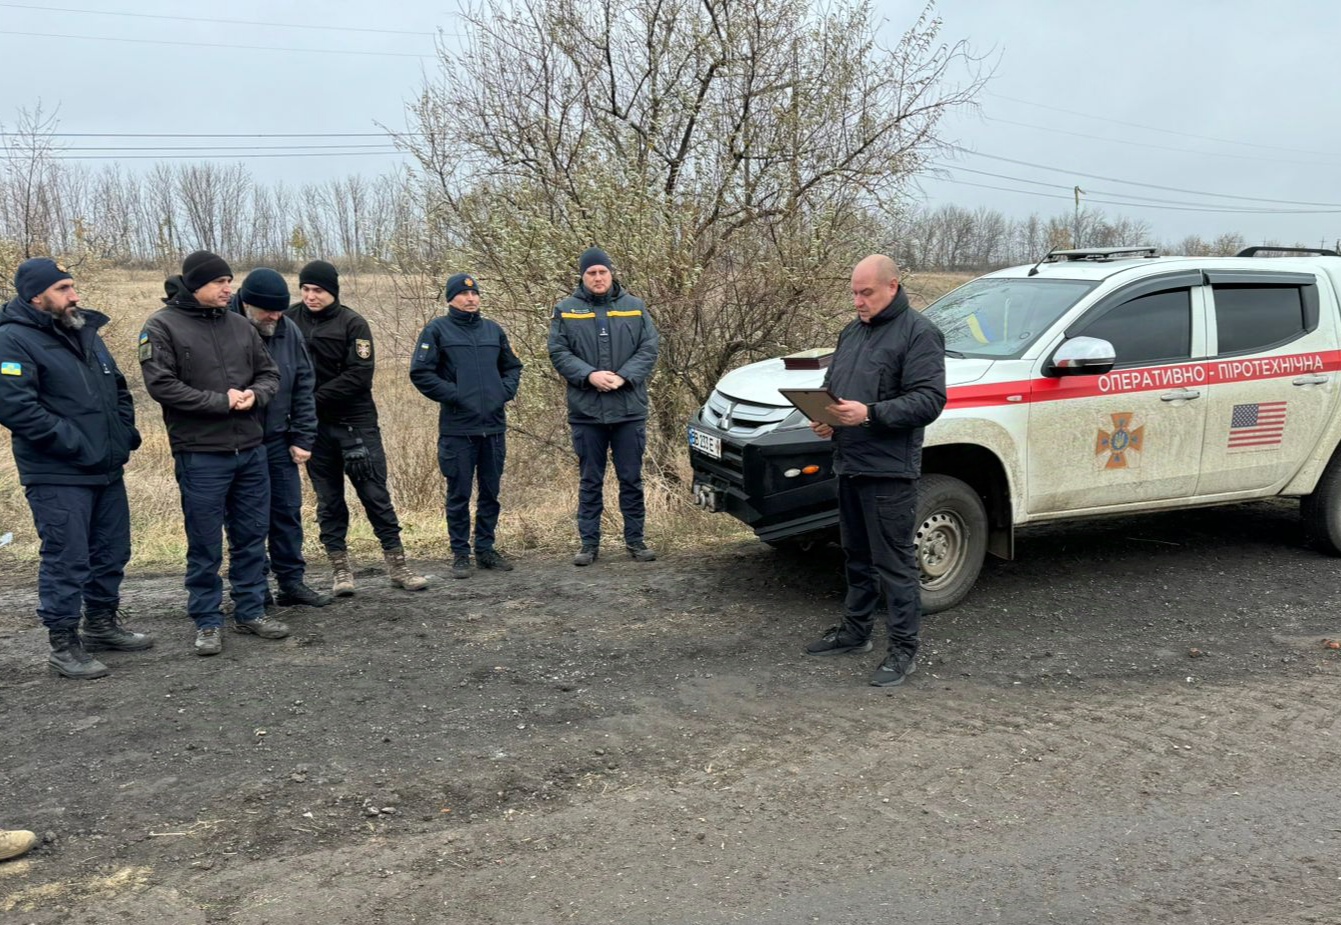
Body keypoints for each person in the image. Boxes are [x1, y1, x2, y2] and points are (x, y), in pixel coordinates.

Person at [0, 258, 152, 679]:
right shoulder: (13, 340)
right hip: (57, 473)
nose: (75, 295)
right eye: (64, 288)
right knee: (67, 559)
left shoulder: (84, 332)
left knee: (112, 550)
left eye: (72, 286)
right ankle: (63, 646)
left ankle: (101, 625)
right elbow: (16, 407)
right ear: (36, 295)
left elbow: (118, 389)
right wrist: (76, 444)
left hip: (105, 468)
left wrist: (123, 435)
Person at [804, 254, 947, 687]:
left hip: (889, 469)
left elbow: (929, 400)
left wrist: (869, 414)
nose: (858, 301)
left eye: (866, 293)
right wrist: (827, 415)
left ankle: (904, 650)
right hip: (849, 461)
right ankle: (855, 631)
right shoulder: (852, 332)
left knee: (895, 564)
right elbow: (841, 389)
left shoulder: (920, 334)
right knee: (856, 555)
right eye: (854, 292)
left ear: (893, 287)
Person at [139, 250, 289, 656]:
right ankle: (207, 619)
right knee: (204, 542)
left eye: (229, 281)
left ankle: (251, 610)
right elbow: (162, 386)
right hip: (201, 453)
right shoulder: (161, 327)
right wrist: (219, 401)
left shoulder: (241, 326)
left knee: (251, 536)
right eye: (219, 282)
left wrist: (255, 396)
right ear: (196, 285)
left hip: (251, 449)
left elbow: (269, 374)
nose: (229, 288)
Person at [286, 260, 426, 594]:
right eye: (305, 289)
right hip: (313, 428)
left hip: (355, 422)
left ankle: (398, 565)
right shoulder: (289, 321)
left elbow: (359, 375)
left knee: (375, 494)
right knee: (329, 501)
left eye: (317, 290)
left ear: (331, 290)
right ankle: (341, 571)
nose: (310, 296)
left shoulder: (353, 323)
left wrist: (311, 398)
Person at [547, 248, 660, 566]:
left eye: (602, 272)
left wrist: (624, 377)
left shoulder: (635, 307)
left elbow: (650, 347)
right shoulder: (566, 310)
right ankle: (589, 544)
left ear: (611, 274)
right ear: (582, 277)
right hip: (587, 412)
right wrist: (589, 375)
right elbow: (558, 351)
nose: (598, 278)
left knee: (631, 478)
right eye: (591, 273)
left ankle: (636, 541)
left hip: (628, 410)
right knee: (590, 479)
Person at [410, 273, 524, 578]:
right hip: (458, 430)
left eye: (474, 294)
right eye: (463, 294)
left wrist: (503, 391)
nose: (470, 299)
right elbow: (421, 373)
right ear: (451, 298)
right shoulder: (437, 330)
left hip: (493, 428)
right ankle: (460, 553)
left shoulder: (492, 330)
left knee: (491, 492)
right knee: (458, 494)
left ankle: (485, 549)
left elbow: (512, 366)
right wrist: (456, 395)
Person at [228, 269, 329, 608]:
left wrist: (303, 436)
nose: (275, 316)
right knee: (248, 520)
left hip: (279, 439)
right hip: (239, 441)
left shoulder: (288, 330)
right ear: (247, 304)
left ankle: (292, 581)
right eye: (268, 311)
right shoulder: (226, 326)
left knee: (286, 512)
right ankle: (255, 588)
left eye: (280, 310)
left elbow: (303, 384)